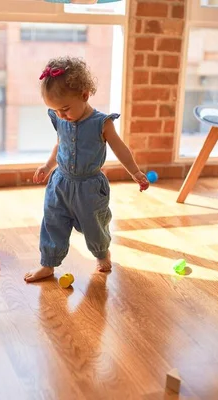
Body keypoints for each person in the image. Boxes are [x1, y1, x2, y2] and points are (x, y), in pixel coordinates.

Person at [24, 56, 149, 283]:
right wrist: (48, 165)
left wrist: (135, 172)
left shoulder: (102, 123)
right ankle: (48, 264)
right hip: (60, 184)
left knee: (95, 226)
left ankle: (102, 253)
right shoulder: (61, 118)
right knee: (52, 222)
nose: (61, 115)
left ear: (84, 95)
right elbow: (60, 144)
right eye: (56, 111)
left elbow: (121, 149)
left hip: (89, 188)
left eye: (64, 109)